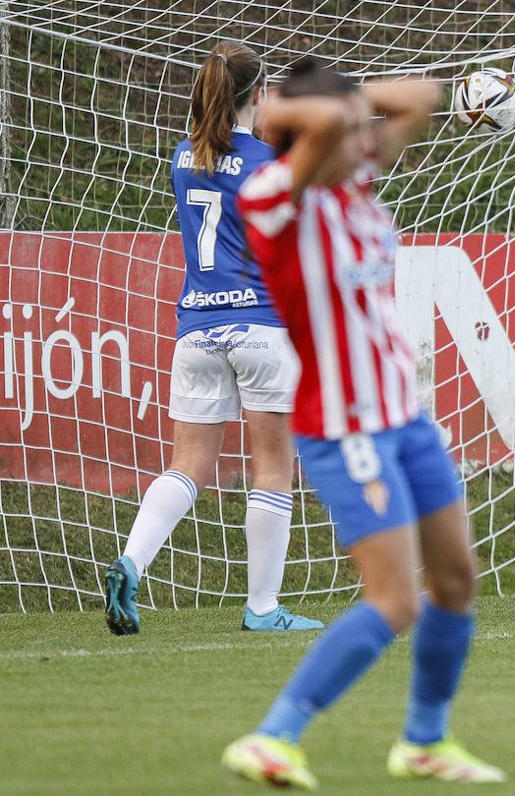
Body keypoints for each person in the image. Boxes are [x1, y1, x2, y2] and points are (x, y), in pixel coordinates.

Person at [220, 60, 504, 788]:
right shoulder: (271, 195)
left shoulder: (351, 180)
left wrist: (339, 100)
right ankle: (273, 737)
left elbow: (424, 97)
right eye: (350, 128)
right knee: (395, 599)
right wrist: (311, 110)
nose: (368, 138)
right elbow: (319, 127)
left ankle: (424, 741)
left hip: (402, 416)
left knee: (456, 578)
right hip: (343, 424)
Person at [102, 42, 322, 635]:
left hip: (197, 329)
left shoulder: (183, 156)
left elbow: (224, 145)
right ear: (259, 95)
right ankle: (262, 608)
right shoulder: (270, 164)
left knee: (189, 464)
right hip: (260, 328)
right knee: (273, 468)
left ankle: (132, 560)